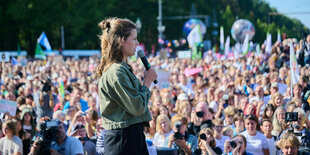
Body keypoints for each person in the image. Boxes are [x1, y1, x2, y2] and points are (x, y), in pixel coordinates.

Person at [96, 17, 157, 155]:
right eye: (134, 39)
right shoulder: (116, 71)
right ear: (121, 41)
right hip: (123, 138)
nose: (137, 44)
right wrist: (147, 82)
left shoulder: (122, 68)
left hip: (130, 135)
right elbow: (137, 106)